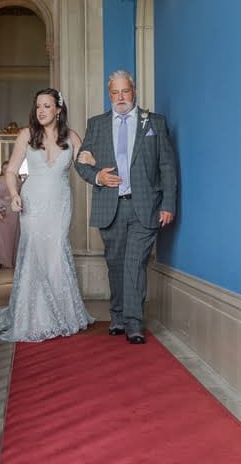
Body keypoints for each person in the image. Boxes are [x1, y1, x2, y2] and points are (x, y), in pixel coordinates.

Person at [74, 70, 177, 344]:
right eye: (115, 93)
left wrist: (168, 203)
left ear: (134, 92)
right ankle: (117, 315)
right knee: (116, 264)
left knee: (135, 264)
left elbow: (167, 165)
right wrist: (97, 175)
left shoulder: (154, 122)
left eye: (125, 91)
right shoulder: (96, 125)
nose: (120, 97)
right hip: (110, 206)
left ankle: (133, 322)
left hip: (145, 206)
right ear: (110, 95)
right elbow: (80, 162)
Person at [0, 88, 95, 342]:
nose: (41, 110)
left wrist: (92, 160)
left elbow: (86, 165)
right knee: (35, 253)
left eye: (47, 106)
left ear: (58, 110)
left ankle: (63, 313)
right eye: (38, 105)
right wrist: (14, 193)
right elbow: (11, 171)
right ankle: (33, 316)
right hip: (32, 203)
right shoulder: (26, 135)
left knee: (57, 251)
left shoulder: (72, 137)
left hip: (60, 202)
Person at [0, 161, 20, 268]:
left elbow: (21, 195)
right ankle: (1, 261)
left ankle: (10, 262)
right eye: (5, 168)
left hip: (13, 213)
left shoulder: (17, 181)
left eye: (8, 168)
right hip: (0, 212)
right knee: (0, 238)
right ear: (2, 169)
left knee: (12, 236)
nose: (6, 170)